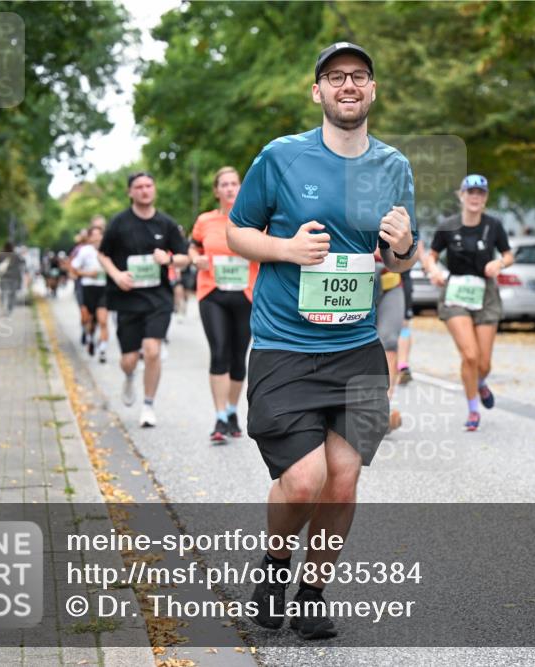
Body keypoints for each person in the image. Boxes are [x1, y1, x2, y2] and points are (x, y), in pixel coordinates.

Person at [227, 41, 418, 640]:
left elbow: (398, 263)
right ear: (318, 92)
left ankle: (311, 592)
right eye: (335, 78)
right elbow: (237, 234)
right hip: (285, 345)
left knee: (343, 480)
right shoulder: (281, 158)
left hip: (357, 348)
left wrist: (404, 246)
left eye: (359, 76)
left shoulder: (394, 167)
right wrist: (285, 249)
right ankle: (275, 568)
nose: (348, 86)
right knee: (304, 480)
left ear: (373, 90)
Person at [422, 174, 513, 432]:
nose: (475, 197)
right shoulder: (448, 225)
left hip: (485, 294)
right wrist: (434, 271)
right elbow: (431, 256)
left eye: (480, 193)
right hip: (456, 293)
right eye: (470, 192)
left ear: (485, 199)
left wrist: (500, 263)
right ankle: (473, 410)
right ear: (461, 195)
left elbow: (508, 255)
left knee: (484, 363)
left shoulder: (493, 225)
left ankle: (480, 382)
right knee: (470, 355)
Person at [98, 172, 189, 428]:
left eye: (149, 185)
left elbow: (185, 257)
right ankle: (128, 376)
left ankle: (148, 405)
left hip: (158, 297)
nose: (144, 190)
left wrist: (169, 259)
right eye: (138, 187)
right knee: (128, 359)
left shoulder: (167, 224)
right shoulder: (118, 223)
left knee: (152, 351)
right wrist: (116, 275)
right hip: (127, 298)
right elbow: (102, 255)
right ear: (130, 192)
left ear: (154, 189)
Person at [189, 166, 258, 444]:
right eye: (224, 184)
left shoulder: (253, 219)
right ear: (217, 191)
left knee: (238, 356)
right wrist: (196, 258)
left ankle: (231, 411)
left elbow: (265, 246)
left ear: (240, 188)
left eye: (234, 183)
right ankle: (219, 416)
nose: (230, 188)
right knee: (219, 351)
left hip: (245, 294)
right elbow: (192, 246)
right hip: (212, 292)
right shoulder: (205, 221)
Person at [374, 251, 404, 431]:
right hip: (354, 283)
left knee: (389, 342)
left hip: (389, 283)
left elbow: (410, 249)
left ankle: (382, 411)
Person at [71, 225, 110, 362]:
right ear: (89, 237)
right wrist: (88, 273)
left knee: (103, 320)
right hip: (88, 288)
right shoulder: (84, 251)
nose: (97, 238)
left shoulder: (108, 250)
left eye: (99, 235)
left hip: (104, 288)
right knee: (89, 320)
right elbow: (74, 269)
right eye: (94, 235)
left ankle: (103, 350)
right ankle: (90, 338)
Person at [396, 239, 425, 385]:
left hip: (401, 279)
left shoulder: (408, 219)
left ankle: (402, 366)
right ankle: (402, 364)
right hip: (386, 275)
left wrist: (427, 264)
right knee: (403, 325)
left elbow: (418, 247)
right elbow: (419, 250)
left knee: (403, 324)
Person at [0, 241, 24, 313]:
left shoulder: (1, 255)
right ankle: (9, 308)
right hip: (13, 277)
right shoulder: (16, 255)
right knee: (12, 294)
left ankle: (5, 306)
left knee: (4, 292)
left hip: (4, 277)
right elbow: (22, 262)